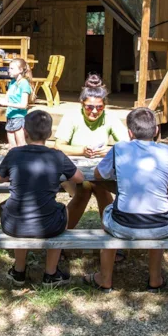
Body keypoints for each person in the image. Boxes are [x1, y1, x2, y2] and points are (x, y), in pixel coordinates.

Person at [85, 107, 168, 292]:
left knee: (107, 213)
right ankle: (155, 279)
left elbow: (98, 174)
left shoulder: (120, 148)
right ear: (156, 130)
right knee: (162, 212)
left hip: (123, 224)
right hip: (162, 225)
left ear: (129, 133)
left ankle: (105, 278)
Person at [0, 110, 85, 288]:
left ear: (24, 132)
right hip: (48, 225)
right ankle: (51, 273)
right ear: (50, 134)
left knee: (18, 208)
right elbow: (79, 178)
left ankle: (19, 270)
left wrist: (11, 175)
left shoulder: (14, 154)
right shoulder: (57, 156)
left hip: (12, 224)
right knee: (63, 209)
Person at [54, 74, 129, 229]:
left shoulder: (110, 117)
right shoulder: (72, 116)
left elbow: (127, 144)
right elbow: (59, 145)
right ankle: (111, 234)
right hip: (72, 171)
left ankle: (109, 234)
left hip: (100, 171)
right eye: (89, 107)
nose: (94, 111)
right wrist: (81, 151)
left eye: (99, 107)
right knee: (88, 187)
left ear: (105, 106)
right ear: (82, 104)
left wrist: (107, 151)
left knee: (97, 185)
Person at [0, 58, 32, 148]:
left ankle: (25, 161)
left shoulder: (24, 84)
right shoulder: (12, 82)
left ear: (20, 70)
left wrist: (6, 104)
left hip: (18, 118)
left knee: (21, 146)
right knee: (11, 147)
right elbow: (7, 98)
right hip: (10, 116)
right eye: (9, 68)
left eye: (12, 68)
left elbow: (24, 105)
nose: (9, 71)